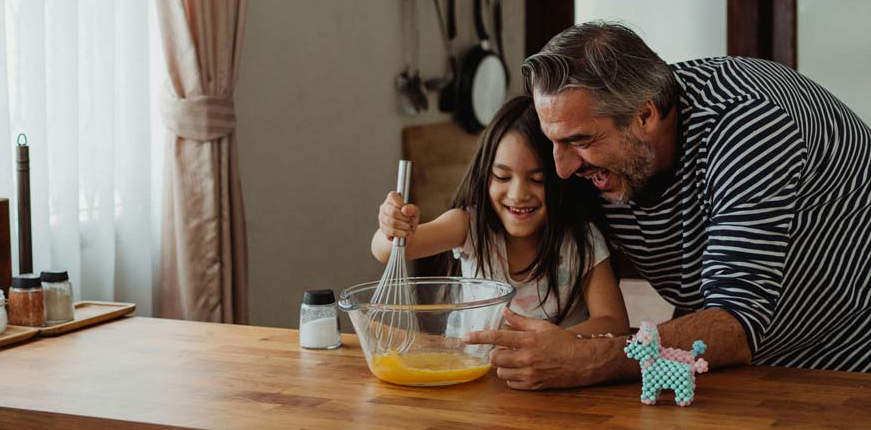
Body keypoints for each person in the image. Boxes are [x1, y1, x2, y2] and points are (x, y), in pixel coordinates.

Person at [466, 21, 871, 390]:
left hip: (848, 357)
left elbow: (736, 322)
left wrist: (591, 360)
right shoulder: (601, 139)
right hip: (733, 363)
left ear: (645, 115)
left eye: (581, 142)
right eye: (554, 140)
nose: (563, 167)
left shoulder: (750, 126)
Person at [373, 95, 629, 338]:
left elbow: (614, 324)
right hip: (476, 373)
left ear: (561, 180)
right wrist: (394, 226)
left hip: (555, 378)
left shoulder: (582, 241)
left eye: (537, 180)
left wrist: (553, 343)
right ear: (485, 176)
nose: (518, 194)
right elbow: (387, 251)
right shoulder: (469, 227)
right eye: (503, 177)